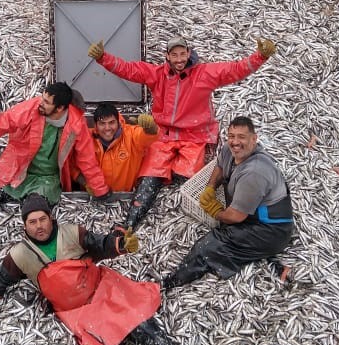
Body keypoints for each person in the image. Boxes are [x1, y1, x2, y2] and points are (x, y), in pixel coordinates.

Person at [0, 194, 197, 345]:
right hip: (74, 311)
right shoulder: (19, 255)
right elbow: (4, 278)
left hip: (101, 287)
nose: (39, 226)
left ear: (51, 218)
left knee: (136, 318)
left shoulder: (71, 233)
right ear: (25, 226)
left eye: (42, 219)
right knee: (103, 337)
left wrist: (119, 245)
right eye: (32, 222)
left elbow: (100, 245)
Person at [87, 35, 277, 231]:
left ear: (188, 53)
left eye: (182, 54)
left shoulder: (205, 74)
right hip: (163, 136)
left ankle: (224, 219)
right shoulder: (157, 74)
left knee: (195, 182)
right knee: (150, 175)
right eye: (174, 55)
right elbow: (129, 69)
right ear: (167, 56)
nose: (179, 59)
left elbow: (235, 70)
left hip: (194, 136)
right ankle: (128, 226)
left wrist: (260, 57)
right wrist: (103, 57)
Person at [0, 82, 110, 246]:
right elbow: (0, 124)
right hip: (17, 167)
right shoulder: (31, 109)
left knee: (36, 212)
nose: (40, 103)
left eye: (46, 102)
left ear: (60, 108)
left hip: (46, 179)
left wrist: (100, 189)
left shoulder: (76, 124)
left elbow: (87, 160)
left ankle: (33, 253)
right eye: (42, 98)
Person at [161, 116, 294, 289]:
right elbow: (220, 166)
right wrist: (210, 187)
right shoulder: (230, 149)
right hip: (252, 214)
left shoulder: (254, 172)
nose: (235, 142)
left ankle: (170, 283)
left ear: (254, 139)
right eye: (231, 136)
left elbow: (235, 217)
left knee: (208, 246)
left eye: (241, 137)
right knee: (227, 219)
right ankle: (260, 257)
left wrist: (216, 212)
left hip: (271, 231)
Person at [80, 103, 159, 193]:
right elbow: (72, 164)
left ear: (118, 122)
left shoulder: (131, 135)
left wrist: (151, 129)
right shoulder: (86, 139)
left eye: (111, 122)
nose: (107, 128)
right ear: (95, 125)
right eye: (102, 124)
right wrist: (84, 182)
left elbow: (147, 137)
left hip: (125, 197)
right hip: (92, 197)